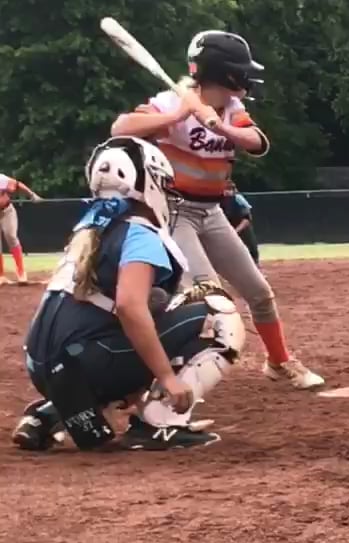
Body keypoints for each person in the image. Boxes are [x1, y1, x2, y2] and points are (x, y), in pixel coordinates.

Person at [111, 30, 324, 390]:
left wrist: (219, 125)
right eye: (240, 70)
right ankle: (174, 378)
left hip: (212, 212)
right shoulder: (170, 102)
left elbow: (256, 142)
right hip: (175, 212)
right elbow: (121, 128)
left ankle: (278, 362)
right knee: (210, 300)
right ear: (222, 72)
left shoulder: (232, 109)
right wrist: (178, 116)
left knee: (259, 293)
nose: (246, 77)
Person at [12, 137, 245, 453]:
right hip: (83, 362)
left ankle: (48, 415)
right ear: (146, 183)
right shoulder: (138, 232)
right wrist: (166, 377)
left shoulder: (92, 227)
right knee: (218, 313)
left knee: (143, 323)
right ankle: (160, 424)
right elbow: (129, 307)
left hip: (45, 366)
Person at [0, 168, 44, 285]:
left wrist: (32, 195)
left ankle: (21, 272)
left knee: (11, 236)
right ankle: (1, 275)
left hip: (6, 211)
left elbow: (17, 184)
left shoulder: (1, 179)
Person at [222, 184, 259, 265]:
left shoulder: (238, 198)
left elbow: (246, 219)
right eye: (225, 189)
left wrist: (236, 231)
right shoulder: (220, 201)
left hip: (242, 226)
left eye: (229, 189)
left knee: (251, 246)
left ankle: (255, 265)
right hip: (228, 226)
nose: (227, 192)